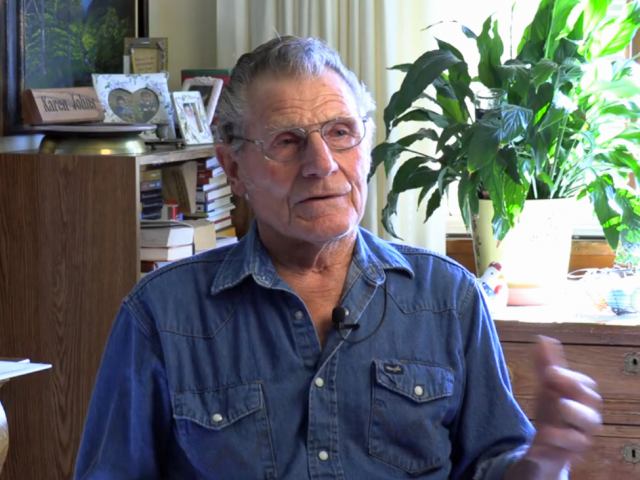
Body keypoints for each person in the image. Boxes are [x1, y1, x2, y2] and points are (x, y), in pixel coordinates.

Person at [74, 36, 601, 480]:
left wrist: (544, 458)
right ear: (232, 169)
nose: (322, 164)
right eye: (287, 140)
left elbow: (490, 464)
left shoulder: (448, 298)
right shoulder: (162, 316)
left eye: (341, 133)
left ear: (366, 146)